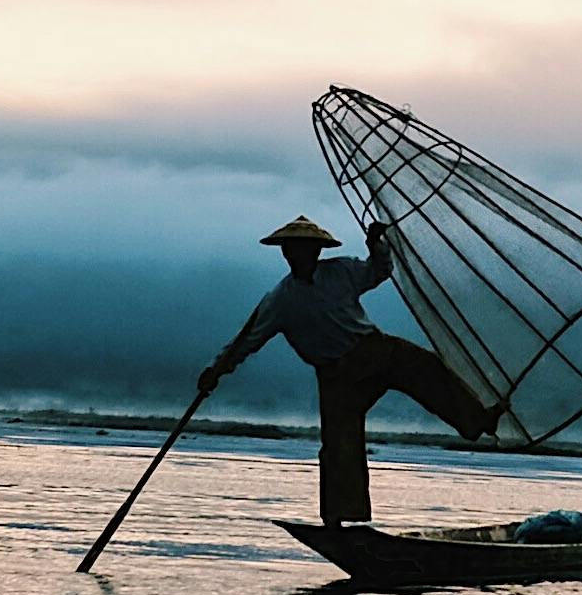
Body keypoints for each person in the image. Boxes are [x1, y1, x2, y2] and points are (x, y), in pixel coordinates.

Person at [200, 213, 501, 526]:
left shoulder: (341, 271)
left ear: (317, 251)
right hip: (336, 376)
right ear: (286, 252)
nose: (300, 254)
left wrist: (376, 246)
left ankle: (479, 421)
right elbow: (246, 341)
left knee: (427, 368)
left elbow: (379, 270)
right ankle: (338, 519)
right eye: (293, 249)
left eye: (307, 248)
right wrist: (216, 371)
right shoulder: (280, 300)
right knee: (338, 444)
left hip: (373, 350)